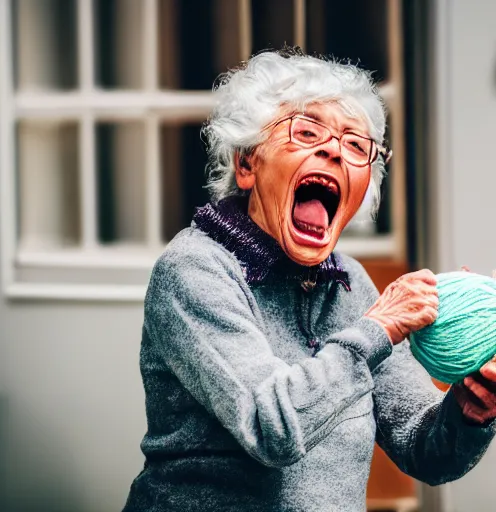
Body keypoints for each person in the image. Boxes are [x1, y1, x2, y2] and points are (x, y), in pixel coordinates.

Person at [122, 48, 496, 512]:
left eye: (357, 145)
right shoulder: (195, 270)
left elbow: (423, 448)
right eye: (307, 130)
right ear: (247, 164)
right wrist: (376, 329)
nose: (335, 149)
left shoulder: (350, 285)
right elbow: (271, 427)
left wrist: (469, 412)